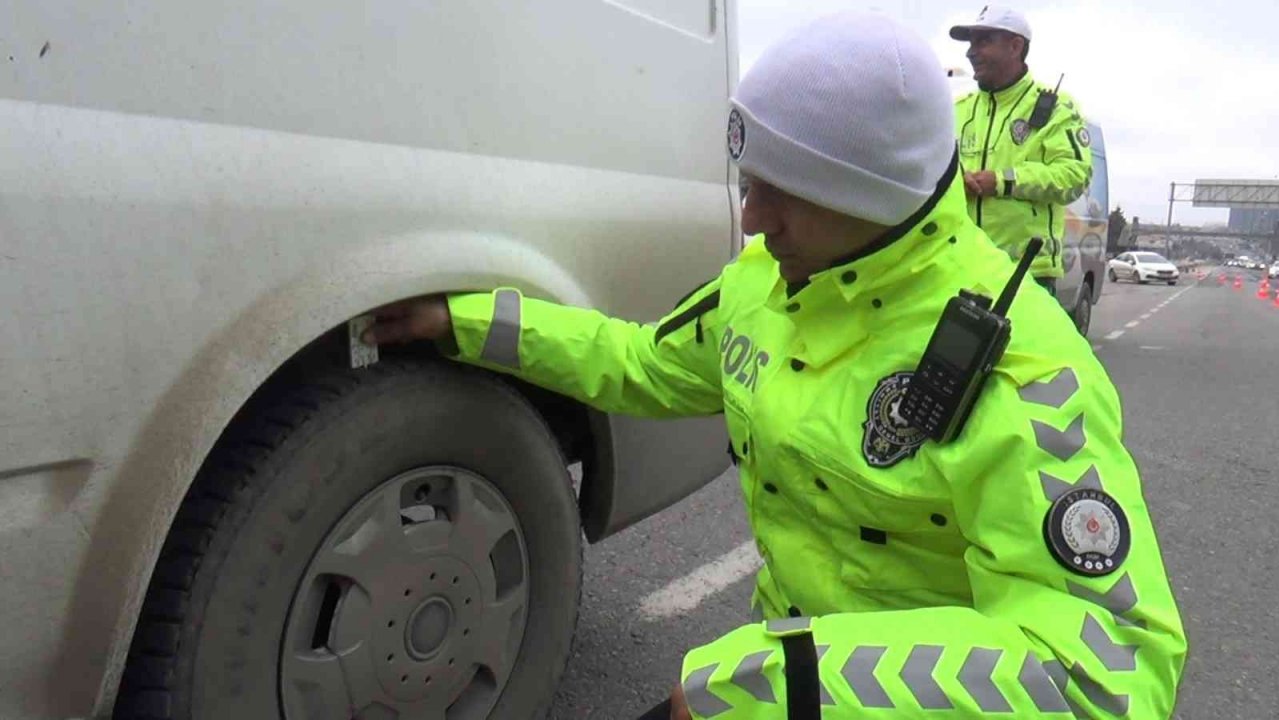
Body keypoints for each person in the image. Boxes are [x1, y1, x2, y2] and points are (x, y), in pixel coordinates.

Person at [363, 13, 1185, 719]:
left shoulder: (1024, 371)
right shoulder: (763, 285)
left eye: (785, 192)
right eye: (748, 182)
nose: (752, 222)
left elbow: (1105, 672)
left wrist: (783, 683)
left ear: (876, 197)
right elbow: (637, 363)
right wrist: (465, 323)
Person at [951, 6, 1093, 298]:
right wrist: (957, 180)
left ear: (1015, 46)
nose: (971, 52)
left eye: (983, 41)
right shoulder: (958, 109)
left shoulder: (1055, 108)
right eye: (970, 43)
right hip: (960, 266)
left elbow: (1074, 177)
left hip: (1026, 274)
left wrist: (1001, 181)